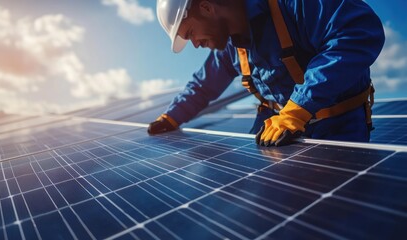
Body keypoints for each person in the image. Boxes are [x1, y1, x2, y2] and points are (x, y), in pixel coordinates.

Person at [148, 0, 385, 147]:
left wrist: (298, 108)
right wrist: (172, 117)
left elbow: (357, 33)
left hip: (337, 130)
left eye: (189, 33)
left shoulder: (292, 4)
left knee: (333, 214)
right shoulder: (231, 47)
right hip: (278, 130)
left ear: (207, 8)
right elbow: (203, 85)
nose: (195, 44)